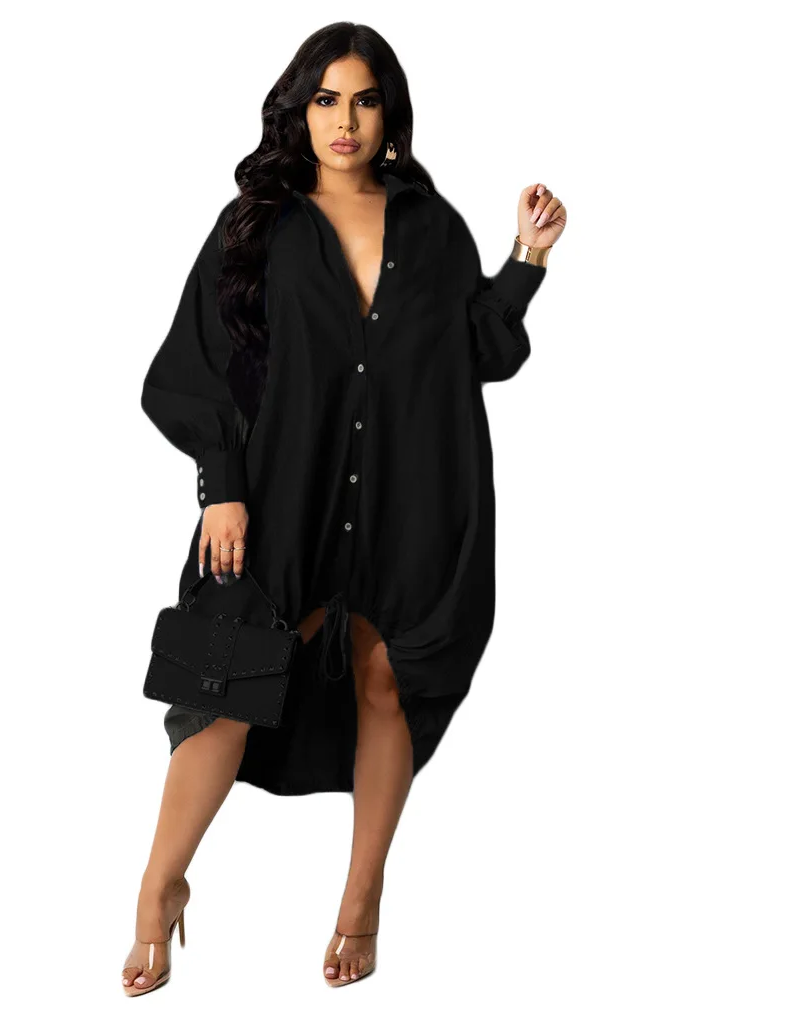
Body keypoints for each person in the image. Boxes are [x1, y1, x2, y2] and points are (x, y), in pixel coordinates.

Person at [122, 22, 567, 995]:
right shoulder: (259, 225)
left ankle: (361, 900)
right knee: (227, 681)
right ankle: (160, 884)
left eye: (364, 99)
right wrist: (222, 486)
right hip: (282, 491)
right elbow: (194, 363)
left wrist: (526, 258)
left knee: (384, 681)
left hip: (412, 494)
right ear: (300, 109)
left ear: (389, 115)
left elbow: (476, 350)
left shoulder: (429, 227)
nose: (344, 120)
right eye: (325, 99)